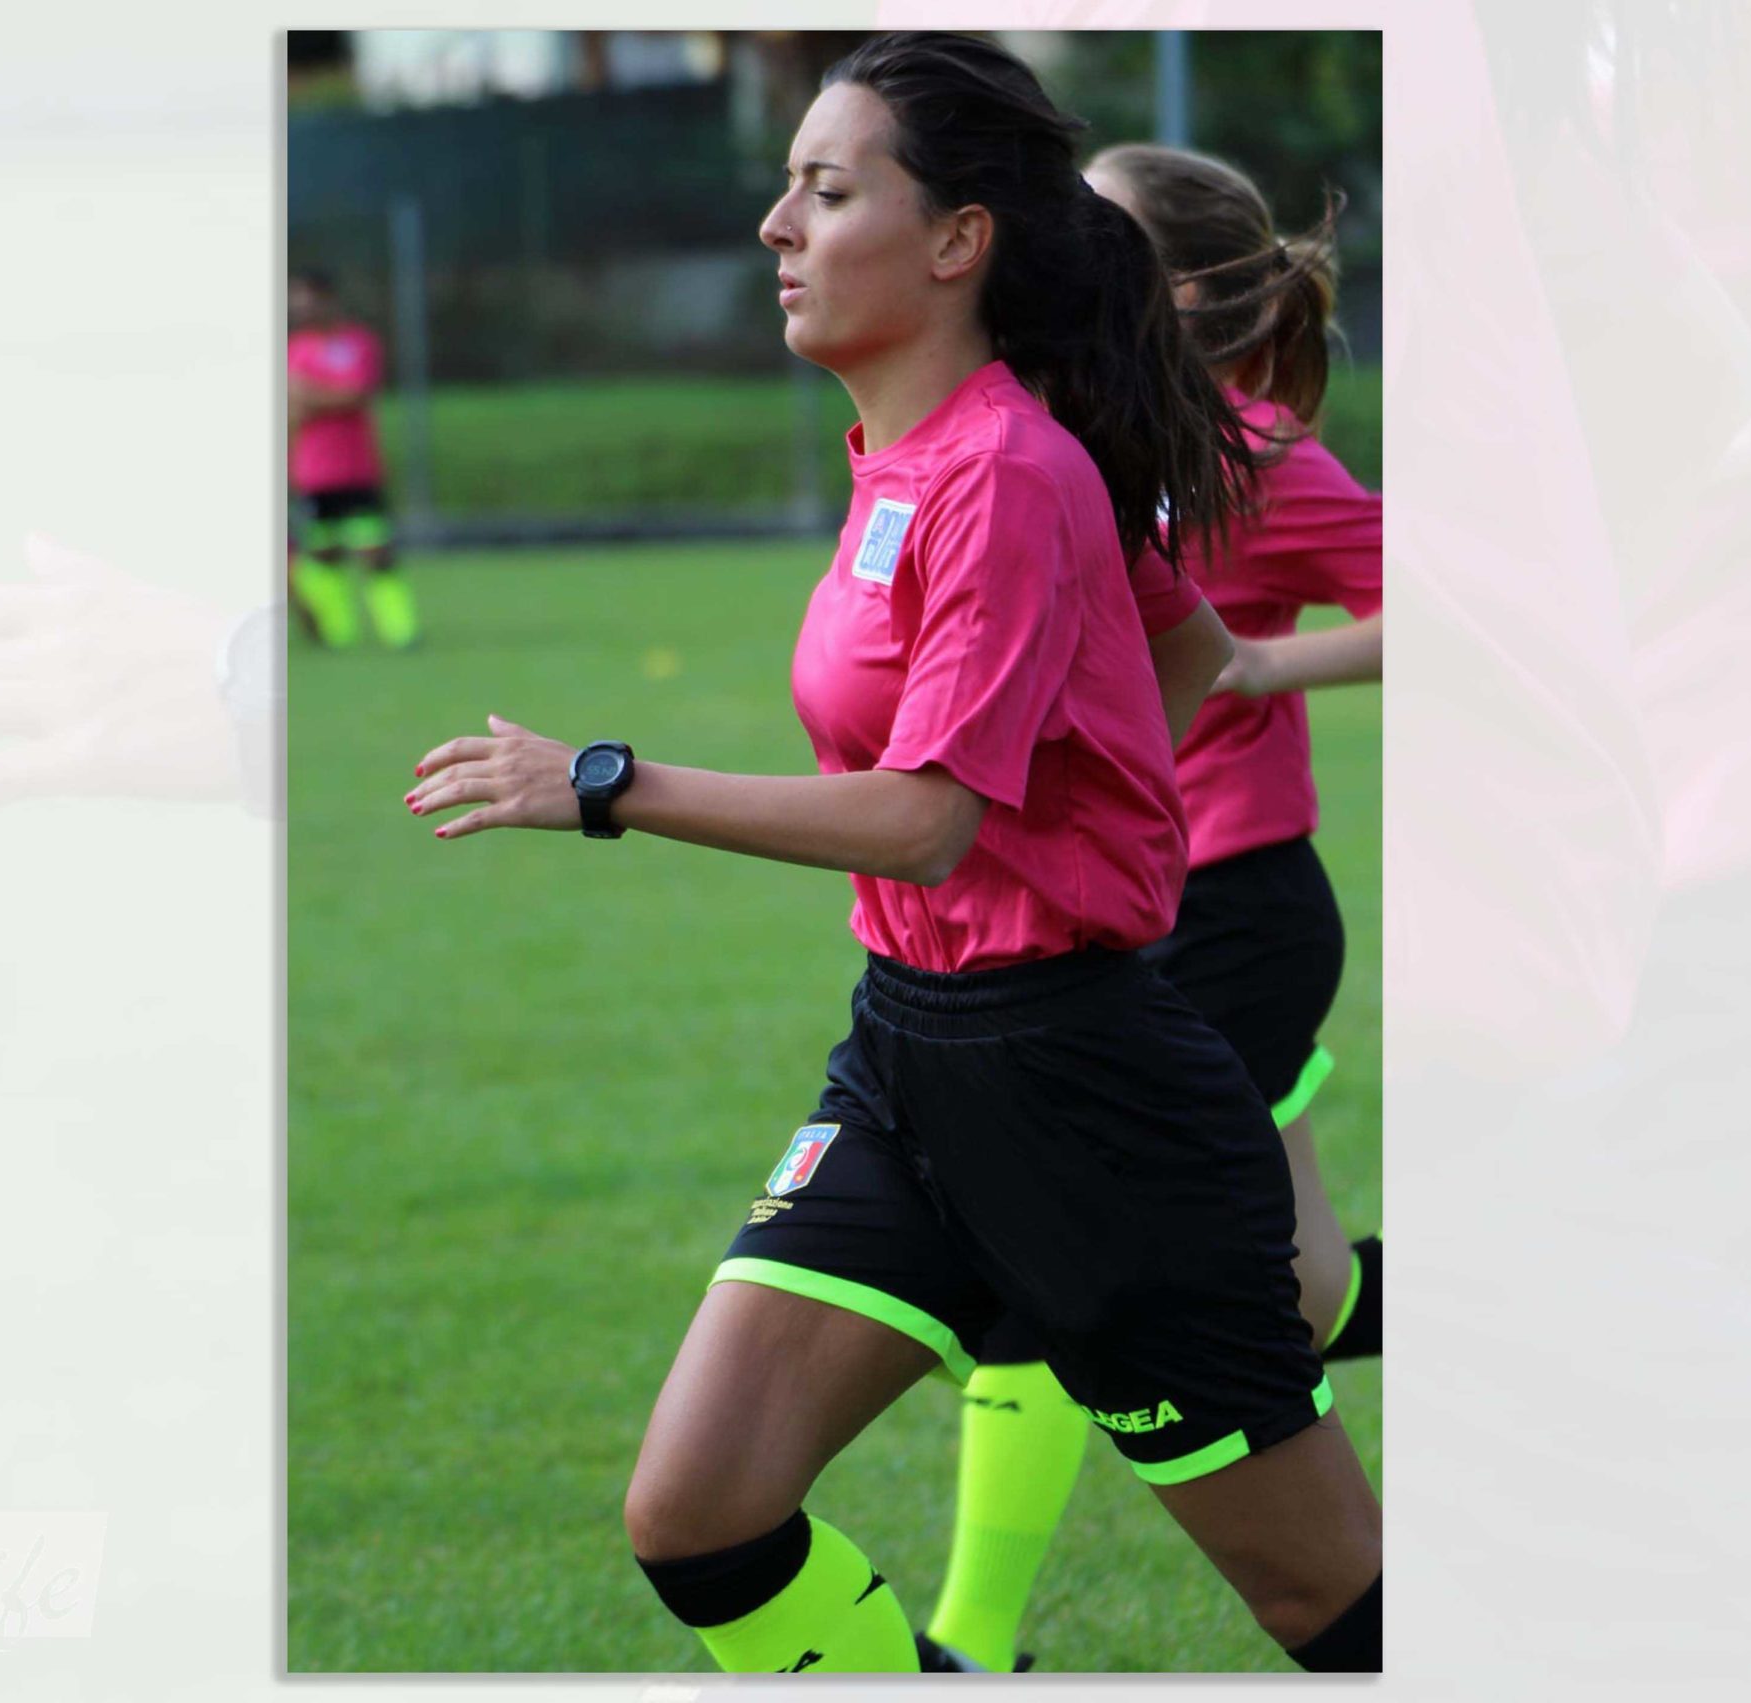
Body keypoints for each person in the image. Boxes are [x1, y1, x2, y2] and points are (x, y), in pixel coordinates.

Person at [406, 31, 1381, 1675]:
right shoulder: (914, 460)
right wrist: (1091, 791)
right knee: (699, 1510)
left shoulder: (1004, 469)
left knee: (1339, 1610)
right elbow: (1185, 646)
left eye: (827, 189)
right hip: (910, 1056)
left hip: (1091, 1101)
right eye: (786, 188)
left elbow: (927, 817)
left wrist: (607, 780)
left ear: (956, 240)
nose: (777, 225)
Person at [916, 142, 1386, 1675]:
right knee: (1308, 1288)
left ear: (1173, 284)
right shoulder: (1054, 431)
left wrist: (1259, 663)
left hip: (1234, 905)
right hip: (1127, 914)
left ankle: (969, 1644)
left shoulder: (1254, 451)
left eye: (1090, 226)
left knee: (1051, 1260)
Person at [288, 269, 418, 650]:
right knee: (324, 555)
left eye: (307, 300)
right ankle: (337, 635)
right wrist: (324, 396)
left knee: (376, 552)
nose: (300, 308)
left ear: (328, 300)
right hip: (313, 472)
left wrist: (311, 395)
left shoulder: (358, 343)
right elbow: (292, 405)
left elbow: (356, 394)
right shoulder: (295, 349)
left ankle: (400, 632)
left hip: (357, 471)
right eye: (296, 302)